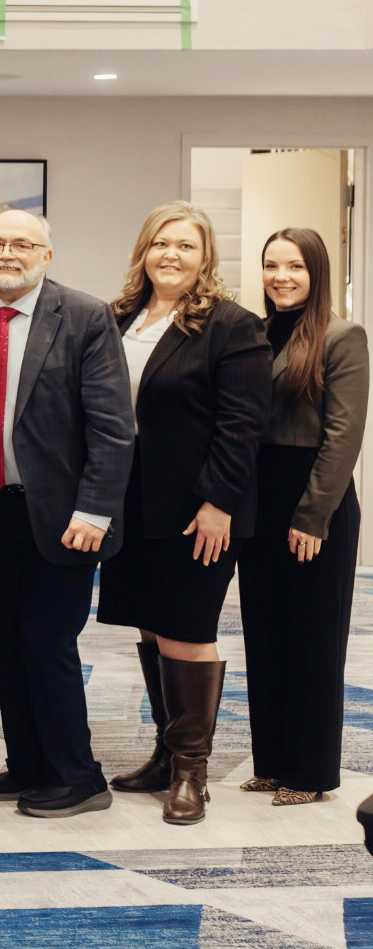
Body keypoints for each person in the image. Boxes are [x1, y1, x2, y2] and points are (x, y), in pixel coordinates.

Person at [0, 209, 133, 819]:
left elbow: (112, 426)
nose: (6, 253)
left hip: (63, 515)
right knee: (0, 640)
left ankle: (78, 775)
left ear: (46, 254)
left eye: (22, 243)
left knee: (46, 639)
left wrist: (96, 510)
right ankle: (28, 762)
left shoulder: (83, 315)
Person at [98, 200, 270, 826]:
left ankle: (192, 774)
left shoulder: (232, 325)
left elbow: (243, 425)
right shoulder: (117, 319)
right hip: (130, 501)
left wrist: (219, 500)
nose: (171, 255)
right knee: (151, 623)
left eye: (186, 246)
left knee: (188, 630)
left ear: (205, 259)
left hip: (199, 506)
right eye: (161, 243)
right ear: (144, 251)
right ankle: (167, 754)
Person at [239, 227, 367, 808]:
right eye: (271, 265)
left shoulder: (342, 336)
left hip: (315, 499)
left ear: (316, 272)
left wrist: (313, 516)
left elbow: (342, 437)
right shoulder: (256, 334)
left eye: (295, 266)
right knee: (264, 633)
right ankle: (271, 763)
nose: (281, 276)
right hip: (259, 499)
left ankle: (310, 770)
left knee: (313, 640)